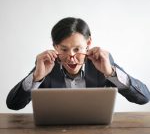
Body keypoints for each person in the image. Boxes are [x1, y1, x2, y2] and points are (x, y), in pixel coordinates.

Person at [6, 17, 150, 110]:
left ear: (88, 43)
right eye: (64, 49)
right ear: (55, 46)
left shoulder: (102, 61)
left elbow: (144, 98)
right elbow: (13, 104)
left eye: (77, 49)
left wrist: (111, 73)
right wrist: (36, 77)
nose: (71, 57)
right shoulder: (46, 65)